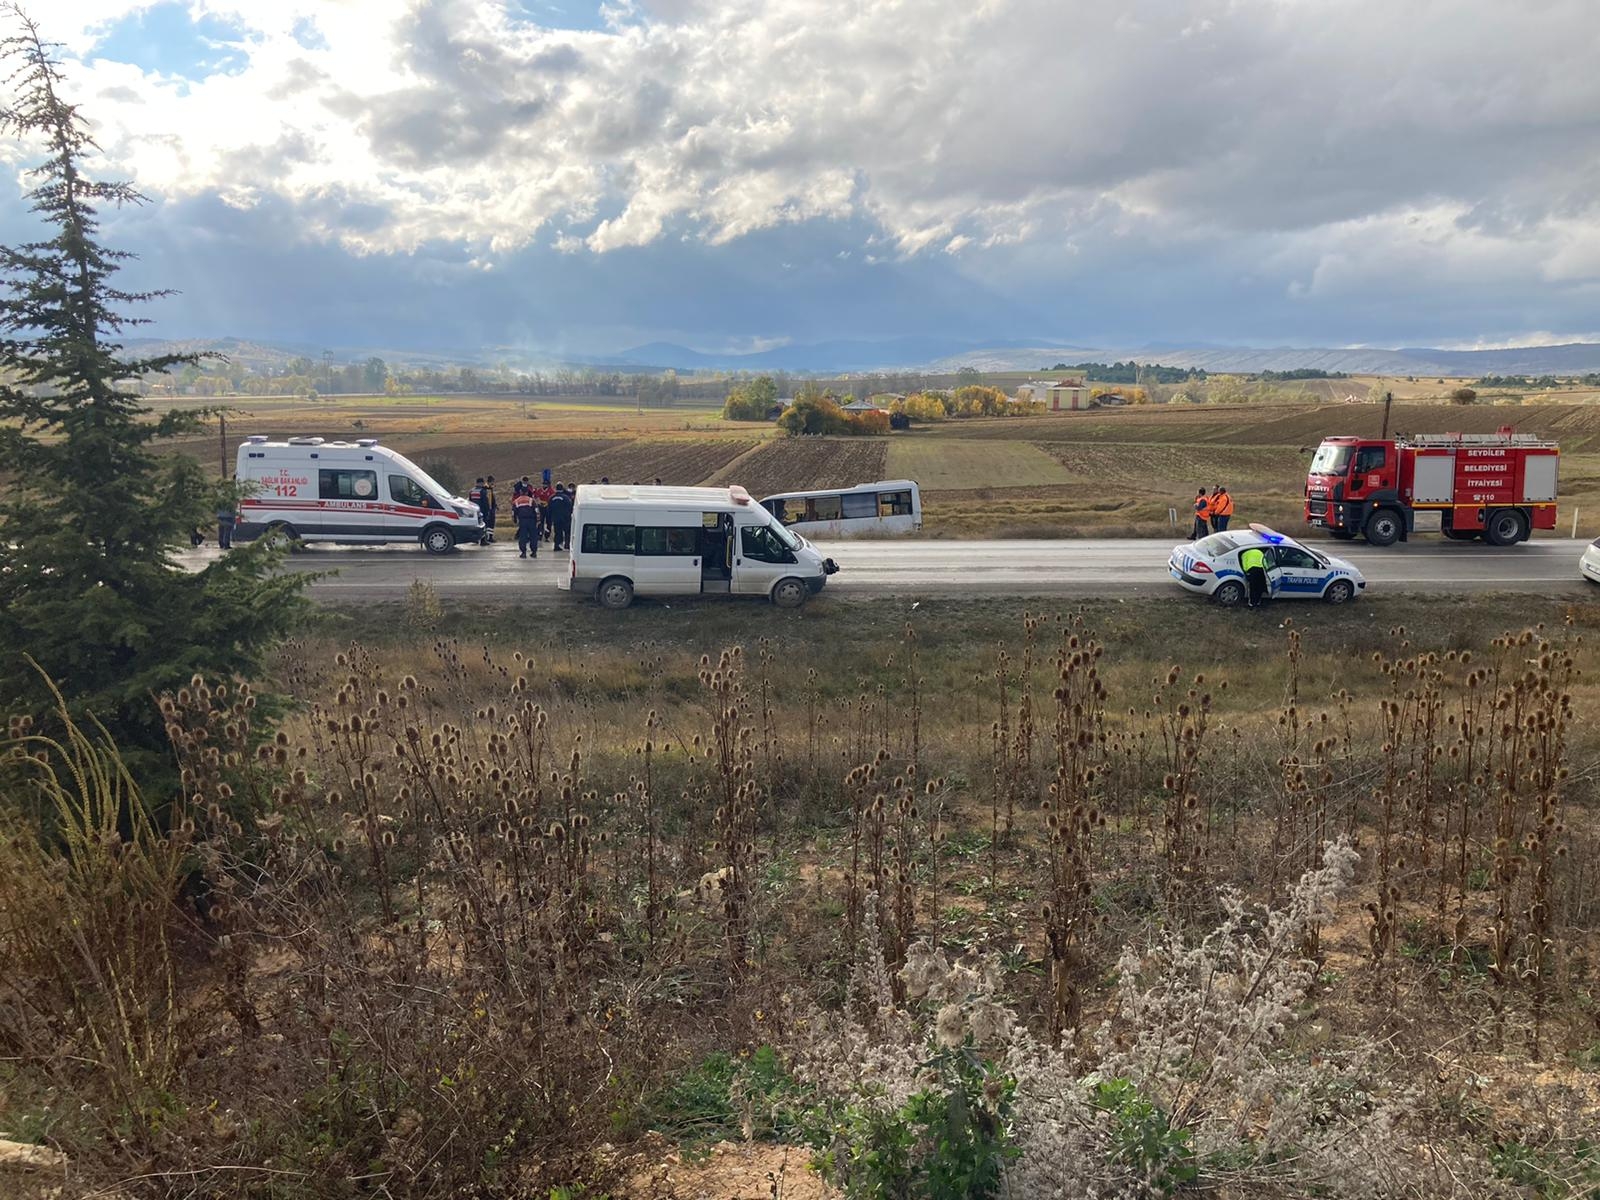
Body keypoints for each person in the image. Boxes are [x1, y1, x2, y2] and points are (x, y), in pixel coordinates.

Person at [1240, 543, 1270, 608]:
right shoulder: (1260, 552)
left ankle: (1251, 604)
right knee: (1260, 587)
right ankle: (1258, 602)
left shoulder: (1244, 554)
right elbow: (1265, 562)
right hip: (1261, 570)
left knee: (1252, 588)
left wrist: (1246, 572)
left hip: (1252, 570)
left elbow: (1244, 565)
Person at [511, 489, 538, 558]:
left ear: (520, 492)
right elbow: (536, 510)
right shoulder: (531, 500)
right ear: (526, 492)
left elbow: (513, 512)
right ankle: (534, 552)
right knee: (533, 536)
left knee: (523, 536)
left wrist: (514, 520)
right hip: (531, 520)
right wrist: (538, 519)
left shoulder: (516, 501)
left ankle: (523, 552)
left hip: (522, 520)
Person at [548, 482, 573, 551]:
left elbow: (549, 510)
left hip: (556, 518)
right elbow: (570, 507)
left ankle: (557, 545)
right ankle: (567, 545)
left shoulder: (551, 498)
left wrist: (549, 519)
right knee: (567, 532)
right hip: (565, 518)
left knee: (557, 532)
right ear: (562, 488)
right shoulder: (566, 498)